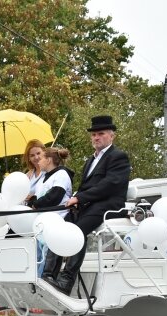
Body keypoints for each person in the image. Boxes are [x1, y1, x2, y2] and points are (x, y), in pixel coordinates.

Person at [47, 115, 131, 294]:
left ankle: (66, 281)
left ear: (111, 135)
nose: (96, 138)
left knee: (77, 231)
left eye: (100, 134)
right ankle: (48, 276)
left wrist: (80, 198)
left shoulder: (118, 156)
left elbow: (109, 184)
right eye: (93, 135)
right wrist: (77, 198)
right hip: (89, 205)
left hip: (108, 205)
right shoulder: (90, 161)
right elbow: (85, 186)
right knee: (59, 228)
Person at [28, 147, 74, 278]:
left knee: (48, 256)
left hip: (55, 222)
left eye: (41, 158)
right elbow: (37, 197)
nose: (38, 161)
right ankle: (34, 279)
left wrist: (36, 205)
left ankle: (44, 280)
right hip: (41, 224)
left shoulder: (61, 175)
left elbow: (55, 196)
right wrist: (31, 202)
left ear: (48, 160)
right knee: (37, 256)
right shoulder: (43, 179)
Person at [22, 139, 46, 205]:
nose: (36, 157)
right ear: (28, 158)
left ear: (44, 152)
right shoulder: (27, 176)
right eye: (32, 155)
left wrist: (33, 198)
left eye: (38, 153)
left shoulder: (50, 171)